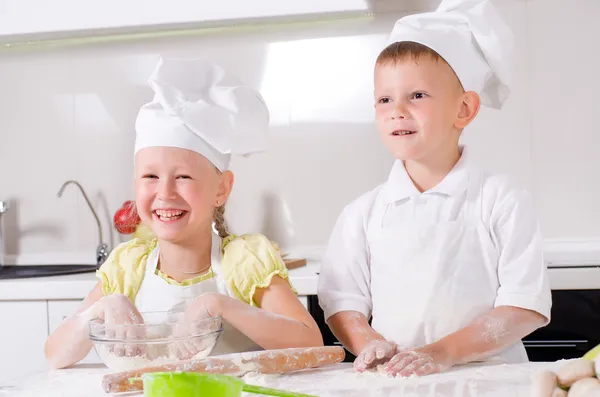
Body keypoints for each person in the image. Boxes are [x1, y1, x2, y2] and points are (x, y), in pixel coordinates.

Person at [317, 0, 551, 378]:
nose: (397, 110)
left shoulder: (500, 199)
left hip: (492, 380)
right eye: (385, 99)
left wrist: (442, 352)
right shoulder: (363, 213)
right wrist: (368, 342)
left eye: (417, 95)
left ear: (464, 109)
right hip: (398, 381)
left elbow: (524, 306)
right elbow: (342, 302)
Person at [45, 57, 323, 369]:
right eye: (150, 177)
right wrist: (100, 309)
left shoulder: (244, 261)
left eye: (183, 177)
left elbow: (310, 343)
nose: (165, 193)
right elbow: (55, 355)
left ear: (221, 189)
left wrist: (219, 305)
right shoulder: (127, 268)